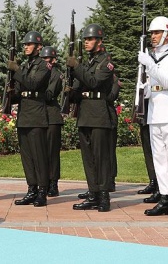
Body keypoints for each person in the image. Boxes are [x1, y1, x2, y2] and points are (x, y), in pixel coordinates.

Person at [138, 16, 168, 218]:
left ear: (167, 34)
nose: (153, 36)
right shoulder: (150, 58)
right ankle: (165, 197)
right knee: (159, 159)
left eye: (157, 32)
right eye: (151, 33)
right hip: (155, 112)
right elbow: (151, 87)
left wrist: (149, 63)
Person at [67, 23, 115, 212]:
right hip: (86, 114)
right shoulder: (87, 64)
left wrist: (77, 67)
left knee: (100, 158)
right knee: (88, 158)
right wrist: (69, 88)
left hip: (99, 114)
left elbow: (94, 82)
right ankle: (93, 194)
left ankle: (104, 196)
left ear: (100, 41)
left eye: (90, 39)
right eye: (85, 39)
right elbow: (79, 87)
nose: (86, 42)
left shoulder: (106, 63)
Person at [7, 31, 51, 207]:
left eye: (29, 44)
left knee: (39, 156)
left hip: (37, 114)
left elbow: (33, 84)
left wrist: (16, 70)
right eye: (24, 44)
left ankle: (42, 191)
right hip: (24, 114)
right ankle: (31, 189)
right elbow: (20, 90)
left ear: (39, 47)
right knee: (27, 156)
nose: (25, 46)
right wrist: (12, 94)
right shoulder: (25, 66)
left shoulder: (44, 66)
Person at [39, 46, 64, 197]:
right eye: (42, 59)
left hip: (52, 116)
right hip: (39, 115)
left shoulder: (56, 74)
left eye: (46, 59)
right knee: (41, 152)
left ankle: (53, 183)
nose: (44, 62)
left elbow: (49, 94)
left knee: (52, 152)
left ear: (53, 60)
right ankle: (43, 182)